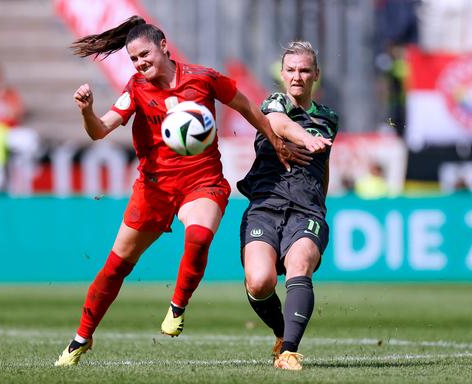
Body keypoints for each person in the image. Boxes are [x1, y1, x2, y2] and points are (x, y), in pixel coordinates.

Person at [54, 16, 313, 367]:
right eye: (134, 59)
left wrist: (274, 140)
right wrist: (87, 111)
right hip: (153, 189)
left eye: (144, 54)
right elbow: (100, 131)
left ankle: (177, 306)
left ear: (163, 46)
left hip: (202, 182)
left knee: (199, 234)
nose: (140, 63)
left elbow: (247, 107)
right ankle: (81, 338)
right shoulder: (135, 89)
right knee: (116, 266)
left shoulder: (203, 79)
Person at [237, 41, 337, 371]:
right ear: (282, 74)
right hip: (267, 205)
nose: (297, 76)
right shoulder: (274, 103)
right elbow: (278, 124)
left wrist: (319, 204)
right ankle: (281, 333)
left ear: (316, 75)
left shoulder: (329, 119)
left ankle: (290, 352)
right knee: (260, 281)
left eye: (305, 70)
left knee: (301, 262)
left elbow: (323, 167)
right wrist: (303, 138)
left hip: (307, 210)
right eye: (291, 70)